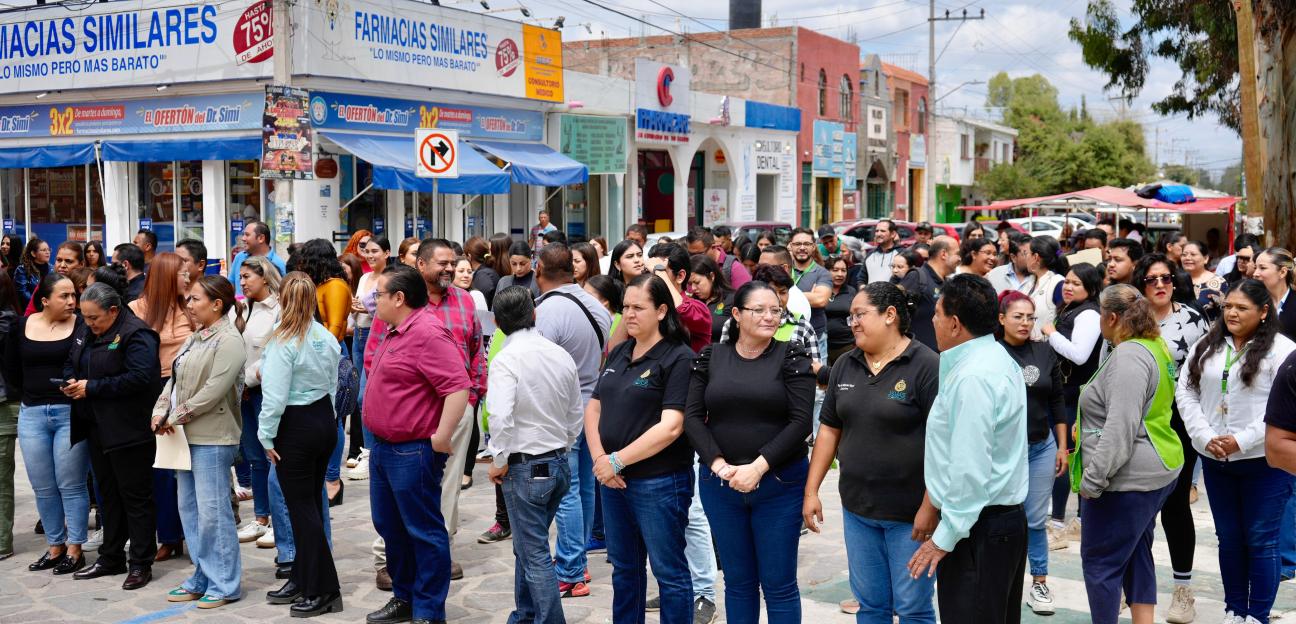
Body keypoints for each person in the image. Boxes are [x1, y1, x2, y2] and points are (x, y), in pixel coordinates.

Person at [804, 282, 939, 623]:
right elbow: (830, 429)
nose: (854, 324)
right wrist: (811, 490)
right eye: (851, 317)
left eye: (860, 315)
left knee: (912, 607)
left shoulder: (926, 365)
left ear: (890, 315)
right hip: (858, 509)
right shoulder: (846, 365)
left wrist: (930, 505)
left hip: (911, 517)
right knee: (872, 606)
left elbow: (944, 444)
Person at [685, 279, 815, 623]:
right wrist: (717, 464)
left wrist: (757, 467)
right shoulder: (712, 356)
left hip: (779, 485)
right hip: (721, 485)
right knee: (738, 582)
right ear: (737, 315)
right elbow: (693, 417)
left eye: (776, 310)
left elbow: (801, 422)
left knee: (779, 583)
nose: (770, 317)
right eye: (759, 310)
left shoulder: (793, 354)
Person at [906, 274, 1028, 624]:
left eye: (938, 313)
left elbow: (969, 468)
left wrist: (944, 537)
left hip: (979, 528)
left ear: (955, 324)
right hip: (991, 523)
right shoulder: (992, 358)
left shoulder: (973, 376)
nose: (932, 319)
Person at [358, 263, 470, 624]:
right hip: (384, 448)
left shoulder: (428, 333)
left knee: (423, 532)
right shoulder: (394, 329)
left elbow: (457, 388)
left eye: (379, 295)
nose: (375, 301)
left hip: (412, 449)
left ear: (399, 298)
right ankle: (404, 597)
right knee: (390, 527)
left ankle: (428, 609)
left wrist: (440, 437)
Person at [1178, 281, 1294, 624]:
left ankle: (1257, 614)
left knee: (1261, 540)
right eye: (1228, 306)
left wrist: (1241, 440)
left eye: (1242, 308)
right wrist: (1204, 434)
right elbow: (1186, 391)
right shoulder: (1207, 345)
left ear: (1263, 313)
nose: (1231, 312)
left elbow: (1285, 409)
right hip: (1216, 460)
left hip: (1265, 463)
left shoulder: (1283, 350)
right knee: (1228, 538)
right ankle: (1235, 609)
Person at [585, 273, 697, 623]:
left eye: (638, 307)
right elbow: (594, 407)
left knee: (669, 573)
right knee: (625, 570)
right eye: (625, 307)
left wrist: (617, 460)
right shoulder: (620, 351)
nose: (629, 314)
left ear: (662, 310)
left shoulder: (679, 358)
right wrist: (602, 460)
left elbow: (671, 426)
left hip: (659, 482)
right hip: (615, 481)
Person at [1070, 284, 1184, 624]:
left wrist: (1092, 480)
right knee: (1136, 553)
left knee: (1101, 564)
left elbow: (1121, 426)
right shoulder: (1155, 345)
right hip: (1156, 467)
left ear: (1112, 317)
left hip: (1128, 477)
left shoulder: (1130, 355)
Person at [485, 286, 583, 624]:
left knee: (534, 552)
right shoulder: (559, 353)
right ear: (534, 313)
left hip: (526, 467)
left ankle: (547, 619)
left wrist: (497, 462)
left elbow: (500, 417)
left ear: (497, 323)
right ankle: (524, 615)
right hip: (558, 461)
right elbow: (575, 412)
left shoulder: (506, 360)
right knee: (528, 548)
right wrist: (566, 445)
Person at [152, 276, 247, 609]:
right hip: (184, 437)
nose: (188, 305)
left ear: (216, 304)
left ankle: (224, 582)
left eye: (194, 299)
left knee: (213, 513)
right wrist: (160, 410)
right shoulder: (195, 338)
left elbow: (214, 391)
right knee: (189, 510)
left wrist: (174, 417)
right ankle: (202, 574)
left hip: (214, 437)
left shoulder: (229, 340)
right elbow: (173, 380)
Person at [64, 282, 162, 589]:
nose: (89, 323)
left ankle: (141, 562)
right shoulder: (86, 329)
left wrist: (91, 387)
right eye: (85, 317)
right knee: (108, 495)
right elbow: (72, 358)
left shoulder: (136, 334)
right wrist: (70, 379)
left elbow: (140, 377)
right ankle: (111, 557)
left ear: (114, 310)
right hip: (95, 426)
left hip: (128, 428)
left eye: (95, 318)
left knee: (135, 497)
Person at [257, 273, 343, 617]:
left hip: (295, 423)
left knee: (302, 510)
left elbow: (274, 397)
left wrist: (266, 435)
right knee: (308, 504)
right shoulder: (326, 337)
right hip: (323, 420)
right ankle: (303, 577)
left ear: (282, 299)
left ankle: (324, 588)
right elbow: (335, 384)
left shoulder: (283, 342)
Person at [530, 243, 613, 598]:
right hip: (594, 403)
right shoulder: (597, 305)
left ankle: (570, 569)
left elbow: (539, 365)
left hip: (563, 409)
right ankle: (576, 564)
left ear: (539, 272)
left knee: (567, 489)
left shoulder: (547, 311)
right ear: (573, 270)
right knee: (582, 487)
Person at [5, 273, 87, 573]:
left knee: (72, 484)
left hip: (69, 412)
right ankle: (55, 546)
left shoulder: (80, 325)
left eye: (73, 296)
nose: (71, 301)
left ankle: (76, 548)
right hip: (32, 413)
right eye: (64, 296)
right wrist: (26, 395)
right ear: (44, 300)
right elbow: (10, 367)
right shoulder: (21, 325)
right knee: (42, 485)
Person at [997, 291, 1068, 615]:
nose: (1025, 323)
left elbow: (1056, 402)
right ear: (1001, 318)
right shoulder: (991, 353)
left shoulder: (1044, 351)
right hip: (1001, 453)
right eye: (1018, 316)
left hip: (1041, 447)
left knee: (1036, 520)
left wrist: (1062, 446)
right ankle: (1002, 581)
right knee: (1002, 518)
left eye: (1030, 317)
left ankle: (1039, 581)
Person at [126, 252, 195, 563]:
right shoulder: (135, 310)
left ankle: (189, 531)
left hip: (187, 390)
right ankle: (167, 535)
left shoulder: (192, 305)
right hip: (150, 390)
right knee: (162, 469)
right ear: (168, 276)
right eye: (182, 274)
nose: (188, 278)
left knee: (189, 466)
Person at [1038, 263, 1103, 541]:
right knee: (1065, 455)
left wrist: (1051, 333)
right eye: (1067, 282)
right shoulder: (1071, 309)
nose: (1068, 287)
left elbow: (1079, 355)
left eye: (1076, 283)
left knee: (1066, 455)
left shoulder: (1088, 313)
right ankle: (1070, 520)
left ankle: (1061, 522)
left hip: (1074, 395)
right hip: (1062, 392)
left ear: (1089, 287)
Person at [234, 257, 282, 545]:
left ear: (264, 277)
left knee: (272, 454)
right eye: (240, 277)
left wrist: (246, 382)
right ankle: (261, 517)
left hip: (264, 391)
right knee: (253, 457)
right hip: (243, 392)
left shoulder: (278, 308)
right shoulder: (240, 308)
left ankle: (279, 518)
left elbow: (273, 356)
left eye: (247, 276)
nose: (242, 282)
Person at [909, 236, 959, 351]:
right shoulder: (917, 277)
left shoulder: (948, 283)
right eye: (957, 253)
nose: (959, 258)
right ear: (944, 254)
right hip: (917, 359)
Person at [788, 228, 832, 354]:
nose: (802, 247)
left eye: (806, 244)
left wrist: (786, 295)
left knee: (816, 373)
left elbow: (820, 300)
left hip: (815, 336)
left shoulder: (822, 273)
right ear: (790, 246)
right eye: (797, 244)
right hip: (786, 334)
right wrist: (808, 295)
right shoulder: (784, 270)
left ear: (813, 247)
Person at [1024, 236, 1068, 341]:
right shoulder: (1029, 282)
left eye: (1027, 253)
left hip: (1047, 348)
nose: (1025, 257)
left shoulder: (1058, 283)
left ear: (1036, 257)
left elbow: (1064, 321)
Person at [230, 222, 287, 297]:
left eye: (247, 235)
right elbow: (231, 284)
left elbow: (281, 293)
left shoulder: (277, 263)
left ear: (261, 238)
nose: (243, 238)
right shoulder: (239, 257)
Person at [685, 227, 752, 289]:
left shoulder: (734, 268)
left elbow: (745, 297)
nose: (694, 258)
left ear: (713, 246)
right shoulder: (689, 267)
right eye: (691, 254)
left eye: (700, 254)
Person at [689, 255, 733, 345]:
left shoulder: (731, 299)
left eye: (697, 282)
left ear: (712, 276)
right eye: (690, 283)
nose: (693, 288)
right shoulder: (692, 302)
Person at [822, 255, 858, 364]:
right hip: (823, 344)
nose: (840, 274)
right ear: (826, 271)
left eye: (843, 270)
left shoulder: (851, 291)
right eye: (835, 270)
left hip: (846, 345)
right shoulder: (820, 291)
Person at [1253, 248, 1295, 341]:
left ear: (1282, 272)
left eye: (1262, 268)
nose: (1255, 273)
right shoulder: (1251, 300)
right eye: (1255, 268)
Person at [1182, 240, 1228, 318]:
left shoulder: (1219, 282)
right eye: (1184, 255)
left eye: (1193, 254)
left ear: (1206, 258)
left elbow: (1225, 313)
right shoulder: (1174, 281)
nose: (1187, 258)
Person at [862, 220, 901, 285]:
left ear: (893, 234)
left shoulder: (901, 254)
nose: (878, 234)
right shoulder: (870, 254)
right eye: (877, 231)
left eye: (882, 231)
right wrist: (862, 288)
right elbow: (861, 278)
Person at [14, 238, 50, 304]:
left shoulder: (52, 268)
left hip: (49, 305)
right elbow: (23, 293)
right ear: (33, 253)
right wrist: (40, 303)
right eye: (44, 250)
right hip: (31, 306)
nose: (47, 252)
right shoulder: (22, 269)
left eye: (48, 250)